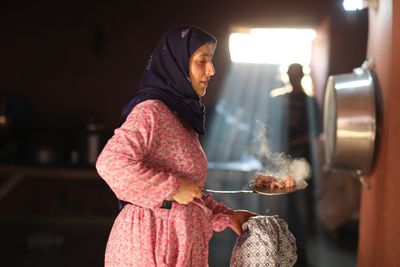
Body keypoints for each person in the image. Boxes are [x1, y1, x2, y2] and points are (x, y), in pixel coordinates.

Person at [96, 25, 256, 267]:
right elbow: (111, 163)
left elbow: (188, 192)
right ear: (177, 65)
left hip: (178, 243)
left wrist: (227, 216)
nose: (211, 70)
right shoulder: (151, 111)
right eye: (202, 61)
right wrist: (171, 188)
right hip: (148, 244)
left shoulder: (180, 117)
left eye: (211, 61)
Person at [281, 63, 320, 266]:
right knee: (287, 204)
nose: (291, 77)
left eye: (294, 74)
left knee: (301, 205)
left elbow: (315, 131)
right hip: (284, 159)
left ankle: (301, 251)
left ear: (301, 76)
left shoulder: (309, 101)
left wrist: (293, 143)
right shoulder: (283, 100)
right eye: (289, 74)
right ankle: (289, 247)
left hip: (302, 160)